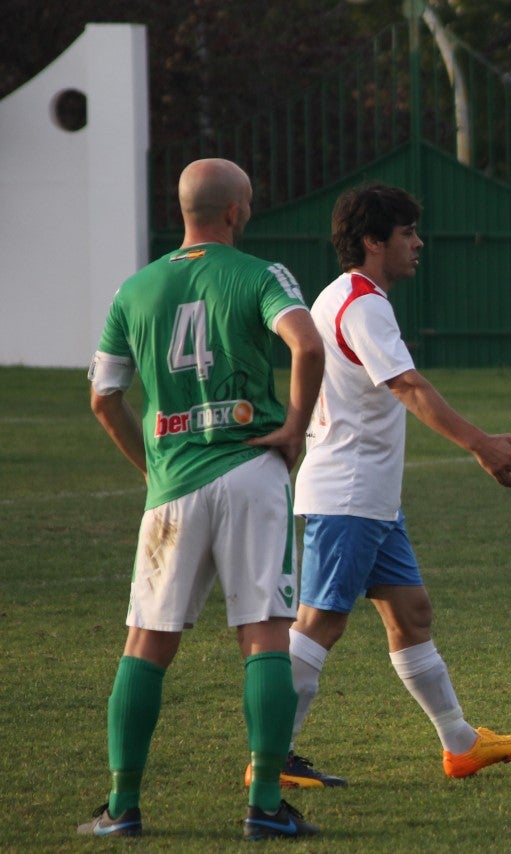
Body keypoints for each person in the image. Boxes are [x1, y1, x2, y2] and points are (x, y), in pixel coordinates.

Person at [255, 181, 511, 790]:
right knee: (318, 624)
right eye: (407, 233)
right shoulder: (361, 303)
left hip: (369, 497)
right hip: (348, 494)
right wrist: (480, 444)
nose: (419, 243)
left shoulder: (344, 296)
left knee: (411, 614)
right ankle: (271, 756)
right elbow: (407, 385)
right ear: (372, 242)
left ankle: (461, 745)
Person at [81, 158, 325, 840]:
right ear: (237, 211)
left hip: (174, 487)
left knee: (146, 643)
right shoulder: (262, 277)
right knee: (265, 634)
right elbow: (306, 345)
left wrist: (150, 467)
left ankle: (123, 805)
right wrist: (295, 430)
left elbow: (103, 398)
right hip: (252, 470)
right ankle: (266, 804)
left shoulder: (135, 289)